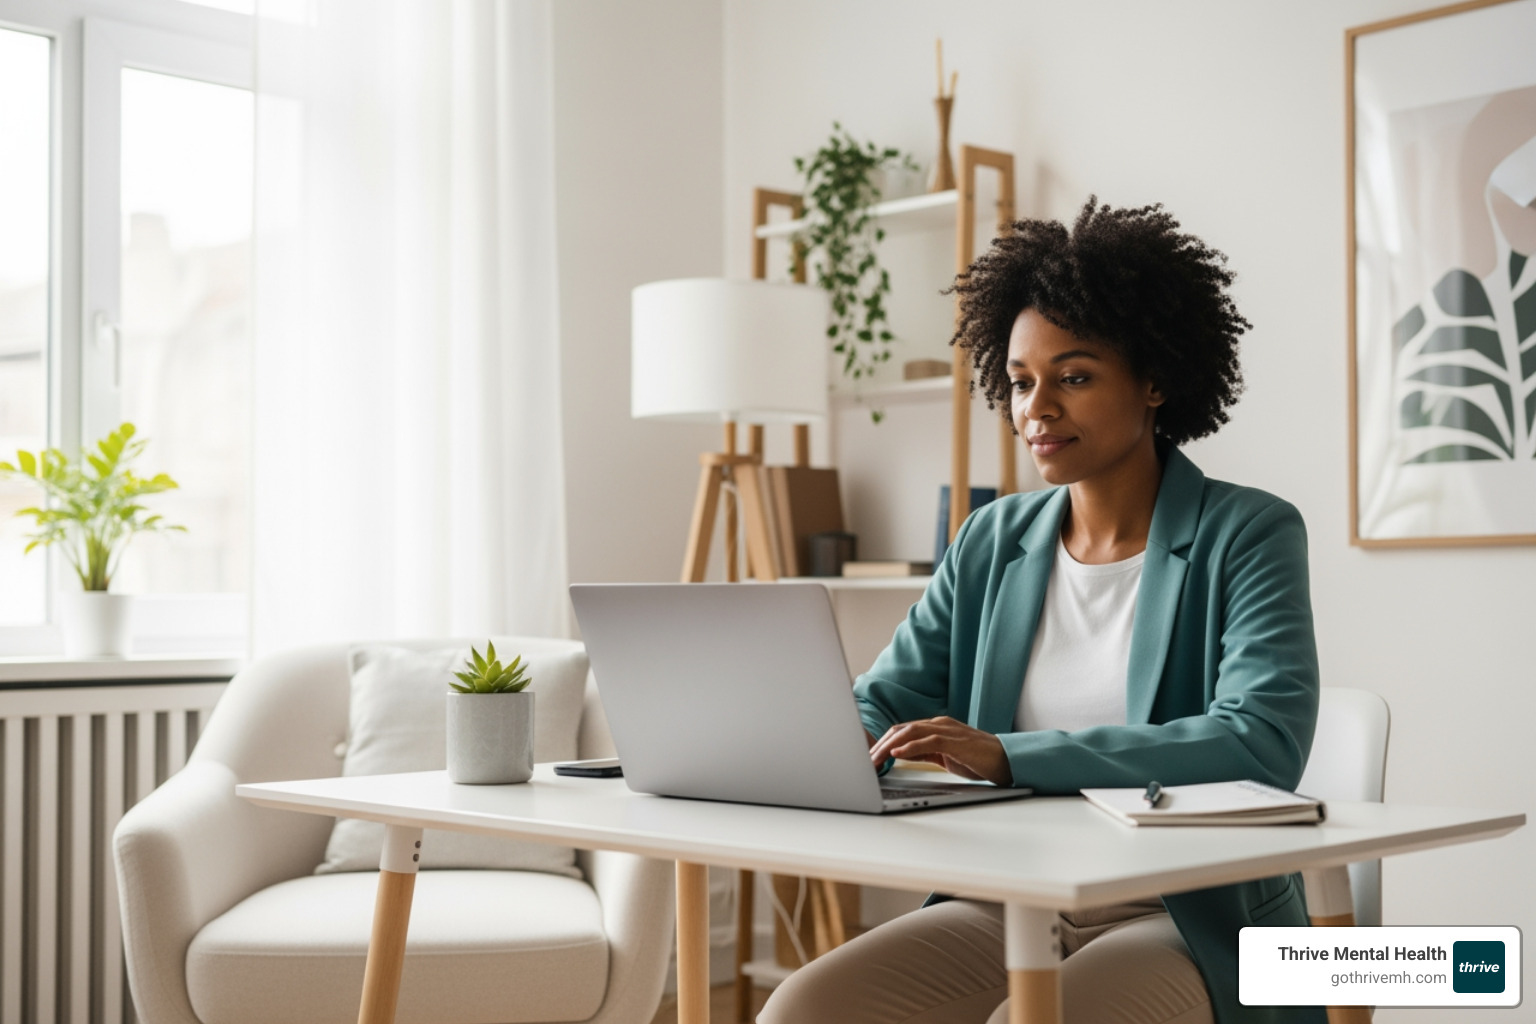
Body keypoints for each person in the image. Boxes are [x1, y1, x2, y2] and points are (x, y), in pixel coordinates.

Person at [758, 199, 1325, 1024]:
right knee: (803, 1008)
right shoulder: (993, 539)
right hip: (1015, 899)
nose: (1037, 408)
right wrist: (833, 738)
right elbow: (886, 695)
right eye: (1022, 382)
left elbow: (1260, 742)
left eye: (1075, 376)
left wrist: (1009, 755)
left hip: (1189, 914)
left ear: (1157, 379)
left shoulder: (1249, 531)